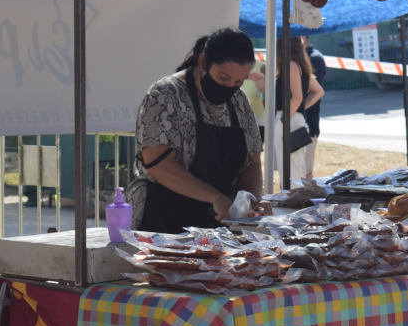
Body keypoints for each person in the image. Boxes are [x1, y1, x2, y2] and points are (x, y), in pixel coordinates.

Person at [127, 28, 266, 234]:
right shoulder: (164, 94)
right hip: (164, 221)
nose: (230, 87)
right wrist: (215, 197)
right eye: (223, 77)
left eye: (238, 82)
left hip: (220, 225)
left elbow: (252, 162)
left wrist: (249, 202)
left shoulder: (239, 101)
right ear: (203, 62)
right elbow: (158, 164)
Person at [252, 37, 324, 185]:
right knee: (291, 172)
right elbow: (317, 91)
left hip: (289, 120)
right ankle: (294, 201)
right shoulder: (296, 67)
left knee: (292, 174)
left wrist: (285, 118)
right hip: (290, 119)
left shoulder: (291, 66)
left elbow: (298, 97)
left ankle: (295, 203)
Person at [301, 35, 327, 178]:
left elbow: (316, 92)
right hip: (295, 124)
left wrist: (296, 109)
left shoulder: (315, 58)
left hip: (308, 124)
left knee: (305, 174)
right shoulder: (294, 60)